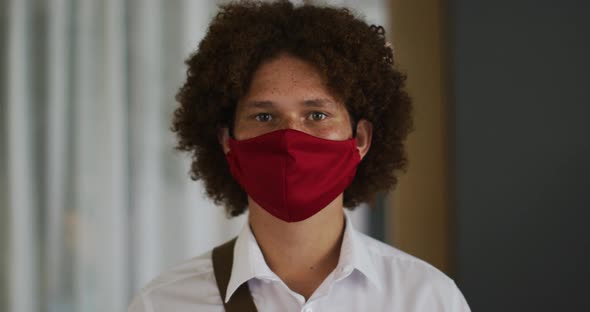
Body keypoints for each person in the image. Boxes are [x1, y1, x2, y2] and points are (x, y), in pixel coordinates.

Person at [128, 1, 470, 311]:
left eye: (316, 115)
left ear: (361, 138)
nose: (290, 137)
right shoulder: (162, 304)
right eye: (265, 117)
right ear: (227, 141)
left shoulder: (426, 298)